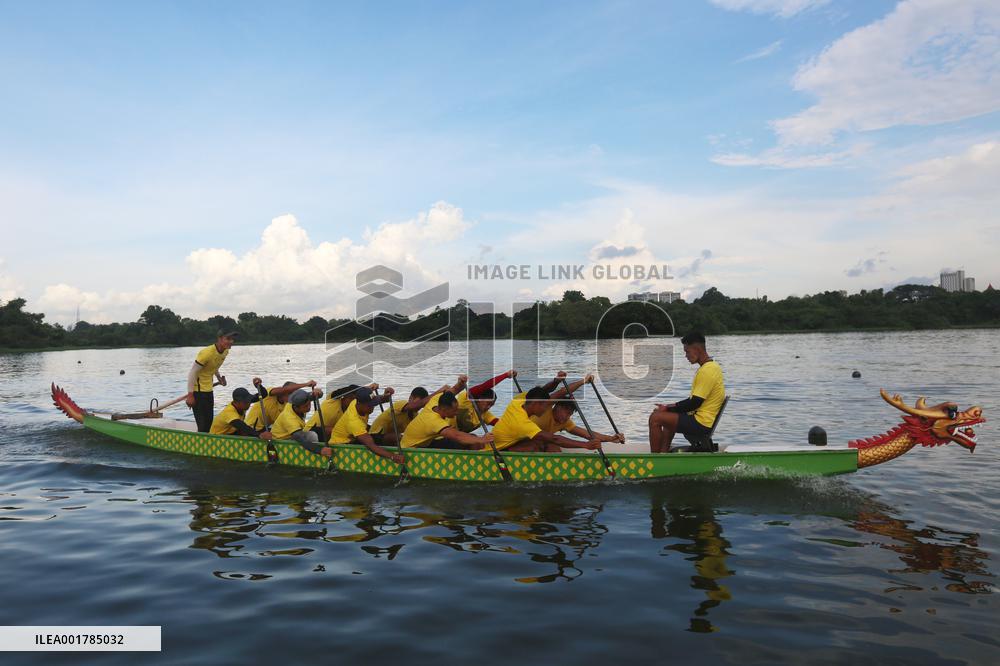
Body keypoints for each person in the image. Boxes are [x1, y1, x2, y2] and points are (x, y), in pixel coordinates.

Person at [648, 331, 725, 453]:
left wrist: (668, 409)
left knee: (655, 418)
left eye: (687, 351)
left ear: (697, 349)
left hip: (701, 423)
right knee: (666, 418)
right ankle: (663, 454)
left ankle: (654, 460)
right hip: (701, 419)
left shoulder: (707, 371)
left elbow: (694, 403)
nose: (686, 356)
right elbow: (692, 402)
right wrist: (668, 408)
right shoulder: (711, 367)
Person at [491, 385, 603, 452]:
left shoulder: (517, 402)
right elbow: (555, 439)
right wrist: (585, 445)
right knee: (538, 444)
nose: (546, 409)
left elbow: (554, 392)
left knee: (544, 443)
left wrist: (557, 381)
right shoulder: (522, 423)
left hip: (505, 442)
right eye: (545, 406)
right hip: (496, 451)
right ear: (536, 403)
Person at [530, 374, 624, 446]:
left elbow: (588, 435)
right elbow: (563, 391)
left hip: (539, 441)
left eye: (570, 414)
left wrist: (611, 439)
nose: (568, 417)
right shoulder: (544, 407)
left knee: (554, 448)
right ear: (558, 407)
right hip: (523, 438)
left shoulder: (565, 422)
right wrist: (583, 381)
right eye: (567, 412)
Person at [328, 387, 406, 464]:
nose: (372, 408)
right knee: (380, 441)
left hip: (354, 437)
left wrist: (386, 395)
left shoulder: (357, 401)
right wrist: (393, 457)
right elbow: (371, 445)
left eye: (373, 404)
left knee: (394, 437)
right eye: (369, 405)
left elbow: (381, 399)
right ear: (359, 404)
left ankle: (404, 448)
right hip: (341, 446)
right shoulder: (354, 422)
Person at [401, 391, 495, 450]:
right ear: (445, 409)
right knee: (472, 441)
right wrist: (482, 439)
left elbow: (454, 389)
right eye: (454, 410)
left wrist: (461, 383)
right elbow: (457, 436)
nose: (457, 413)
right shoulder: (434, 421)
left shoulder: (436, 400)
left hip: (427, 442)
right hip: (410, 449)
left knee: (472, 439)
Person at [185, 330, 236, 432]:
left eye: (232, 339)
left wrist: (219, 378)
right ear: (220, 339)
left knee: (209, 423)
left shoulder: (225, 351)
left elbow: (214, 365)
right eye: (228, 339)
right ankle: (200, 445)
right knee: (203, 425)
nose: (231, 342)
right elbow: (192, 373)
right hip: (198, 392)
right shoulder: (206, 353)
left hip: (208, 390)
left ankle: (206, 442)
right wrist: (190, 395)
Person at [270, 388, 328, 454]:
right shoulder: (289, 418)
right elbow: (301, 439)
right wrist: (320, 450)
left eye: (309, 404)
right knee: (312, 435)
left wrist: (318, 392)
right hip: (281, 441)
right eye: (305, 406)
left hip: (292, 435)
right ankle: (314, 454)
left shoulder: (299, 401)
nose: (309, 407)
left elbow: (318, 395)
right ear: (296, 407)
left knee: (317, 430)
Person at [246, 379, 317, 430]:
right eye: (292, 393)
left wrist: (316, 393)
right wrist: (306, 384)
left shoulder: (288, 405)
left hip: (265, 428)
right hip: (252, 427)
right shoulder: (269, 394)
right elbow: (285, 389)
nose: (294, 397)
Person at [369, 386, 436, 438]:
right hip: (374, 435)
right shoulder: (401, 404)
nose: (419, 407)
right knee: (398, 437)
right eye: (419, 403)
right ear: (410, 398)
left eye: (422, 405)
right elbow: (414, 406)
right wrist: (439, 391)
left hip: (387, 438)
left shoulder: (415, 416)